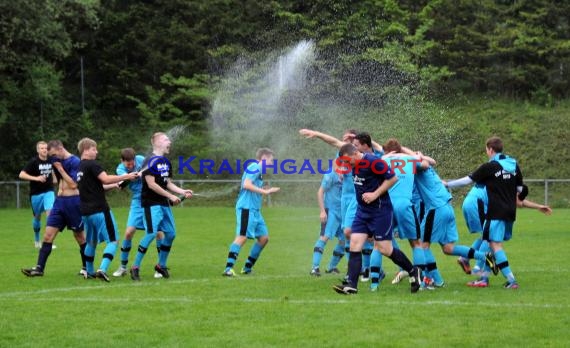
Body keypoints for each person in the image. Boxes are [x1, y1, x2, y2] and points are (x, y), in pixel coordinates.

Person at [332, 143, 421, 295]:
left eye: (348, 161)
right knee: (354, 243)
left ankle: (413, 271)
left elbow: (393, 178)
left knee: (385, 249)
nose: (347, 164)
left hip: (380, 211)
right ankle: (352, 285)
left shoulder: (373, 162)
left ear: (355, 153)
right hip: (362, 212)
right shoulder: (354, 165)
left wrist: (375, 194)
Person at [445, 136, 522, 289]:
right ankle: (483, 278)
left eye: (486, 149)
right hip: (510, 211)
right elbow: (520, 189)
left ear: (490, 149)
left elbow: (468, 180)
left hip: (495, 211)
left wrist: (447, 184)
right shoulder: (513, 164)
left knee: (494, 244)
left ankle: (511, 280)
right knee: (491, 243)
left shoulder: (490, 166)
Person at [130, 132, 193, 281]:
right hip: (151, 203)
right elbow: (151, 184)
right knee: (151, 233)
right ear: (157, 143)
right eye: (166, 139)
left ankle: (161, 265)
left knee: (170, 233)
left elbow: (168, 183)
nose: (169, 141)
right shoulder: (149, 161)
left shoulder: (166, 162)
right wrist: (170, 196)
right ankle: (135, 267)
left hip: (163, 203)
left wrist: (182, 191)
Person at [21, 140, 87, 277]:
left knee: (79, 236)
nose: (52, 157)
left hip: (73, 202)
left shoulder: (75, 162)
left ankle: (86, 267)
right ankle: (39, 269)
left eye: (53, 154)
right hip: (59, 202)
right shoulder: (55, 160)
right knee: (48, 235)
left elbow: (74, 184)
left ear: (61, 149)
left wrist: (61, 169)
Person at [76, 138, 138, 281]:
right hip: (100, 210)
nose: (96, 151)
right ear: (86, 149)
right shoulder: (93, 164)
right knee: (114, 240)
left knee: (91, 242)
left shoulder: (80, 167)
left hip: (85, 212)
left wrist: (115, 185)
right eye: (94, 149)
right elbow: (105, 179)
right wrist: (127, 175)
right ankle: (102, 269)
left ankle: (89, 271)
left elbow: (98, 187)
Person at [223, 148, 280, 276]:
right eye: (271, 159)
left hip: (255, 211)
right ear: (264, 158)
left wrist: (264, 188)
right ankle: (228, 269)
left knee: (264, 238)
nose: (272, 162)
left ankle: (247, 268)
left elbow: (252, 186)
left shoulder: (259, 171)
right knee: (242, 237)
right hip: (246, 208)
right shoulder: (254, 166)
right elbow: (246, 185)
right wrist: (266, 192)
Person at [112, 148, 165, 278]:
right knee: (129, 232)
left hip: (151, 198)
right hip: (137, 201)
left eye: (132, 163)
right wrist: (129, 177)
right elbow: (120, 183)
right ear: (122, 161)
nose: (130, 166)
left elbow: (152, 168)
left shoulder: (142, 159)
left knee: (158, 233)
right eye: (128, 164)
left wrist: (143, 172)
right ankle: (123, 266)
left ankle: (160, 267)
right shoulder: (120, 169)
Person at [19, 141, 55, 248]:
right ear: (38, 150)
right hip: (36, 194)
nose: (44, 150)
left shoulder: (51, 160)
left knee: (50, 213)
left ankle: (48, 242)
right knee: (37, 217)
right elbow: (21, 174)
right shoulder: (33, 162)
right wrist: (36, 178)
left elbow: (54, 171)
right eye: (42, 148)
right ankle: (37, 239)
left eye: (45, 148)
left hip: (49, 191)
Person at [310, 163, 345, 276]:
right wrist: (322, 211)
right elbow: (320, 192)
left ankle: (331, 267)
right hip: (331, 210)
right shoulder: (331, 174)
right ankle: (314, 268)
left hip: (343, 211)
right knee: (324, 237)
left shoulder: (350, 172)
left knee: (344, 240)